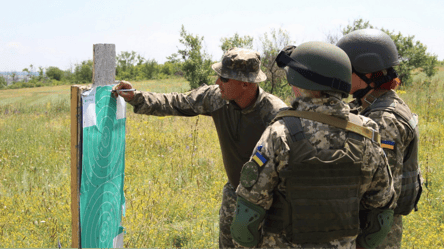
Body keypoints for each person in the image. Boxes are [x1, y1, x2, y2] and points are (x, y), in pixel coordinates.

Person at [113, 47, 288, 248]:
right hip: (234, 194)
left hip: (269, 203)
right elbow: (176, 102)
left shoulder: (275, 114)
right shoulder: (215, 98)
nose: (217, 82)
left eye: (224, 78)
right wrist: (136, 97)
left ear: (245, 83)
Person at [230, 41, 395, 249]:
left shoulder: (280, 133)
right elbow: (382, 210)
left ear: (300, 83)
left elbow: (248, 212)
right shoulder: (367, 134)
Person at [337, 29, 423, 249]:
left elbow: (383, 191)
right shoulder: (373, 104)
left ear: (366, 75)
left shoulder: (384, 120)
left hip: (375, 230)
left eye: (347, 70)